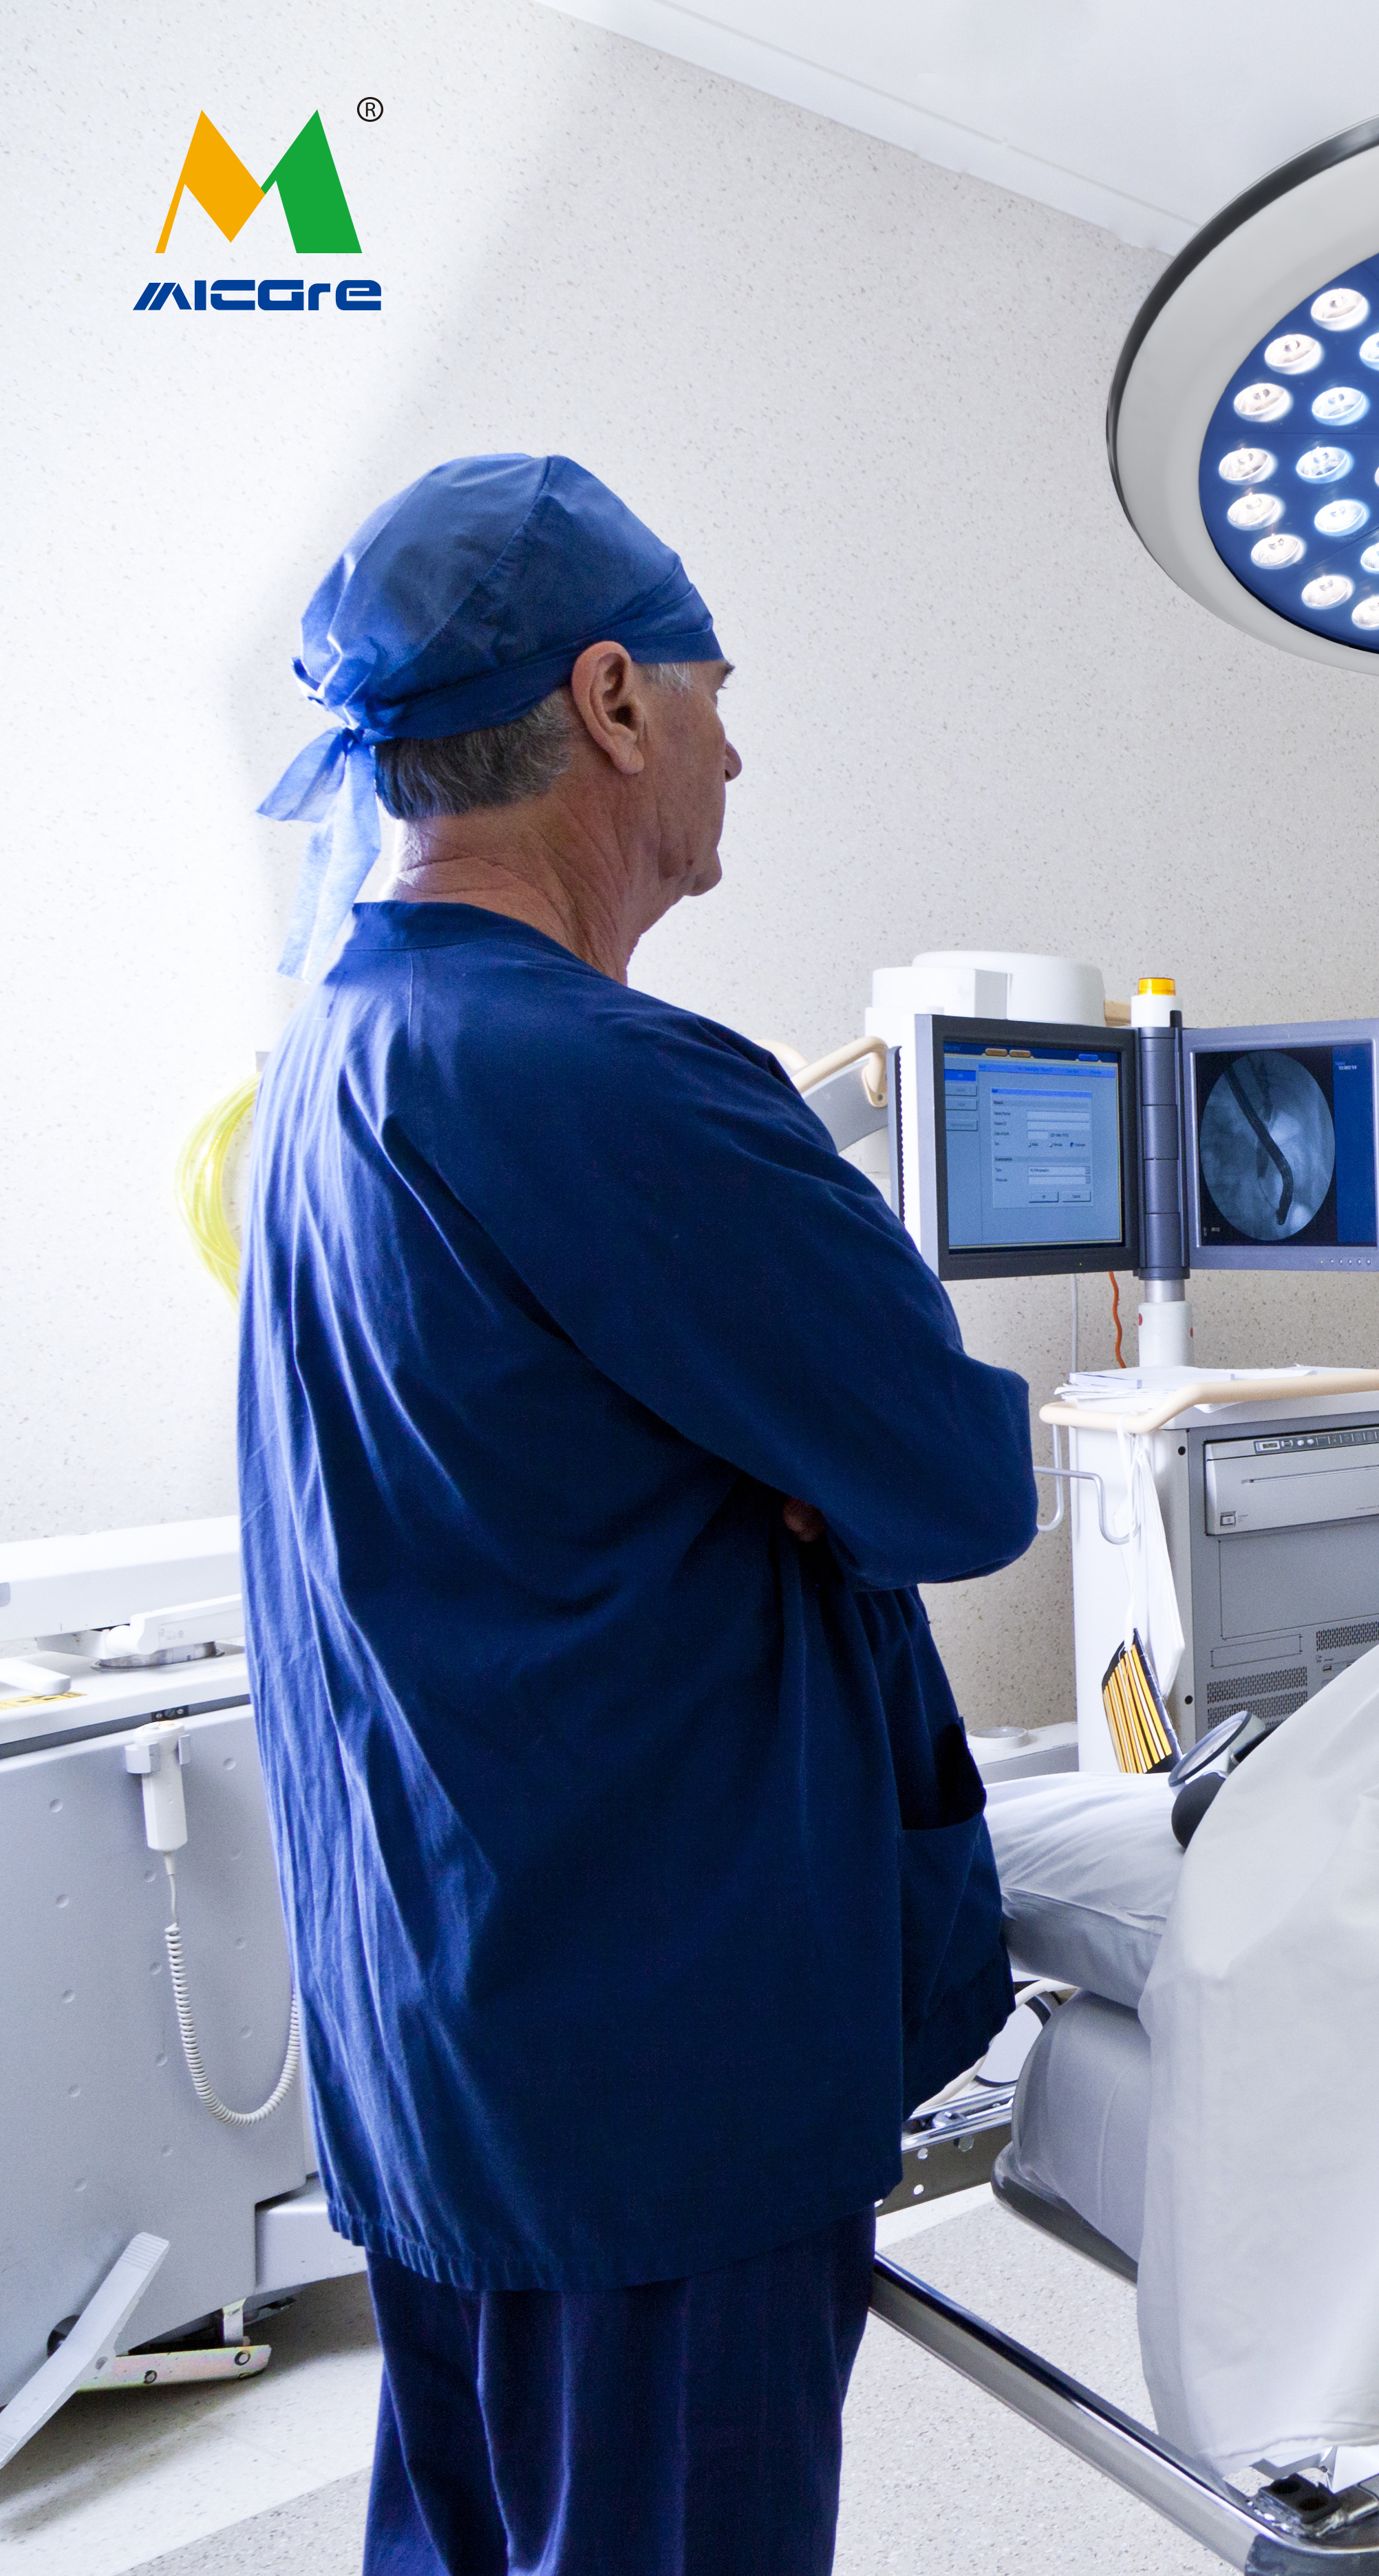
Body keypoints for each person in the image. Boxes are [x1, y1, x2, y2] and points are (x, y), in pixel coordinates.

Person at [236, 454, 1040, 2575]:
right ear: (609, 703)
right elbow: (958, 1480)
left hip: (451, 2028)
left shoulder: (335, 1056)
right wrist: (806, 1467)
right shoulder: (618, 1081)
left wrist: (792, 1467)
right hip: (654, 2072)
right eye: (711, 690)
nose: (733, 745)